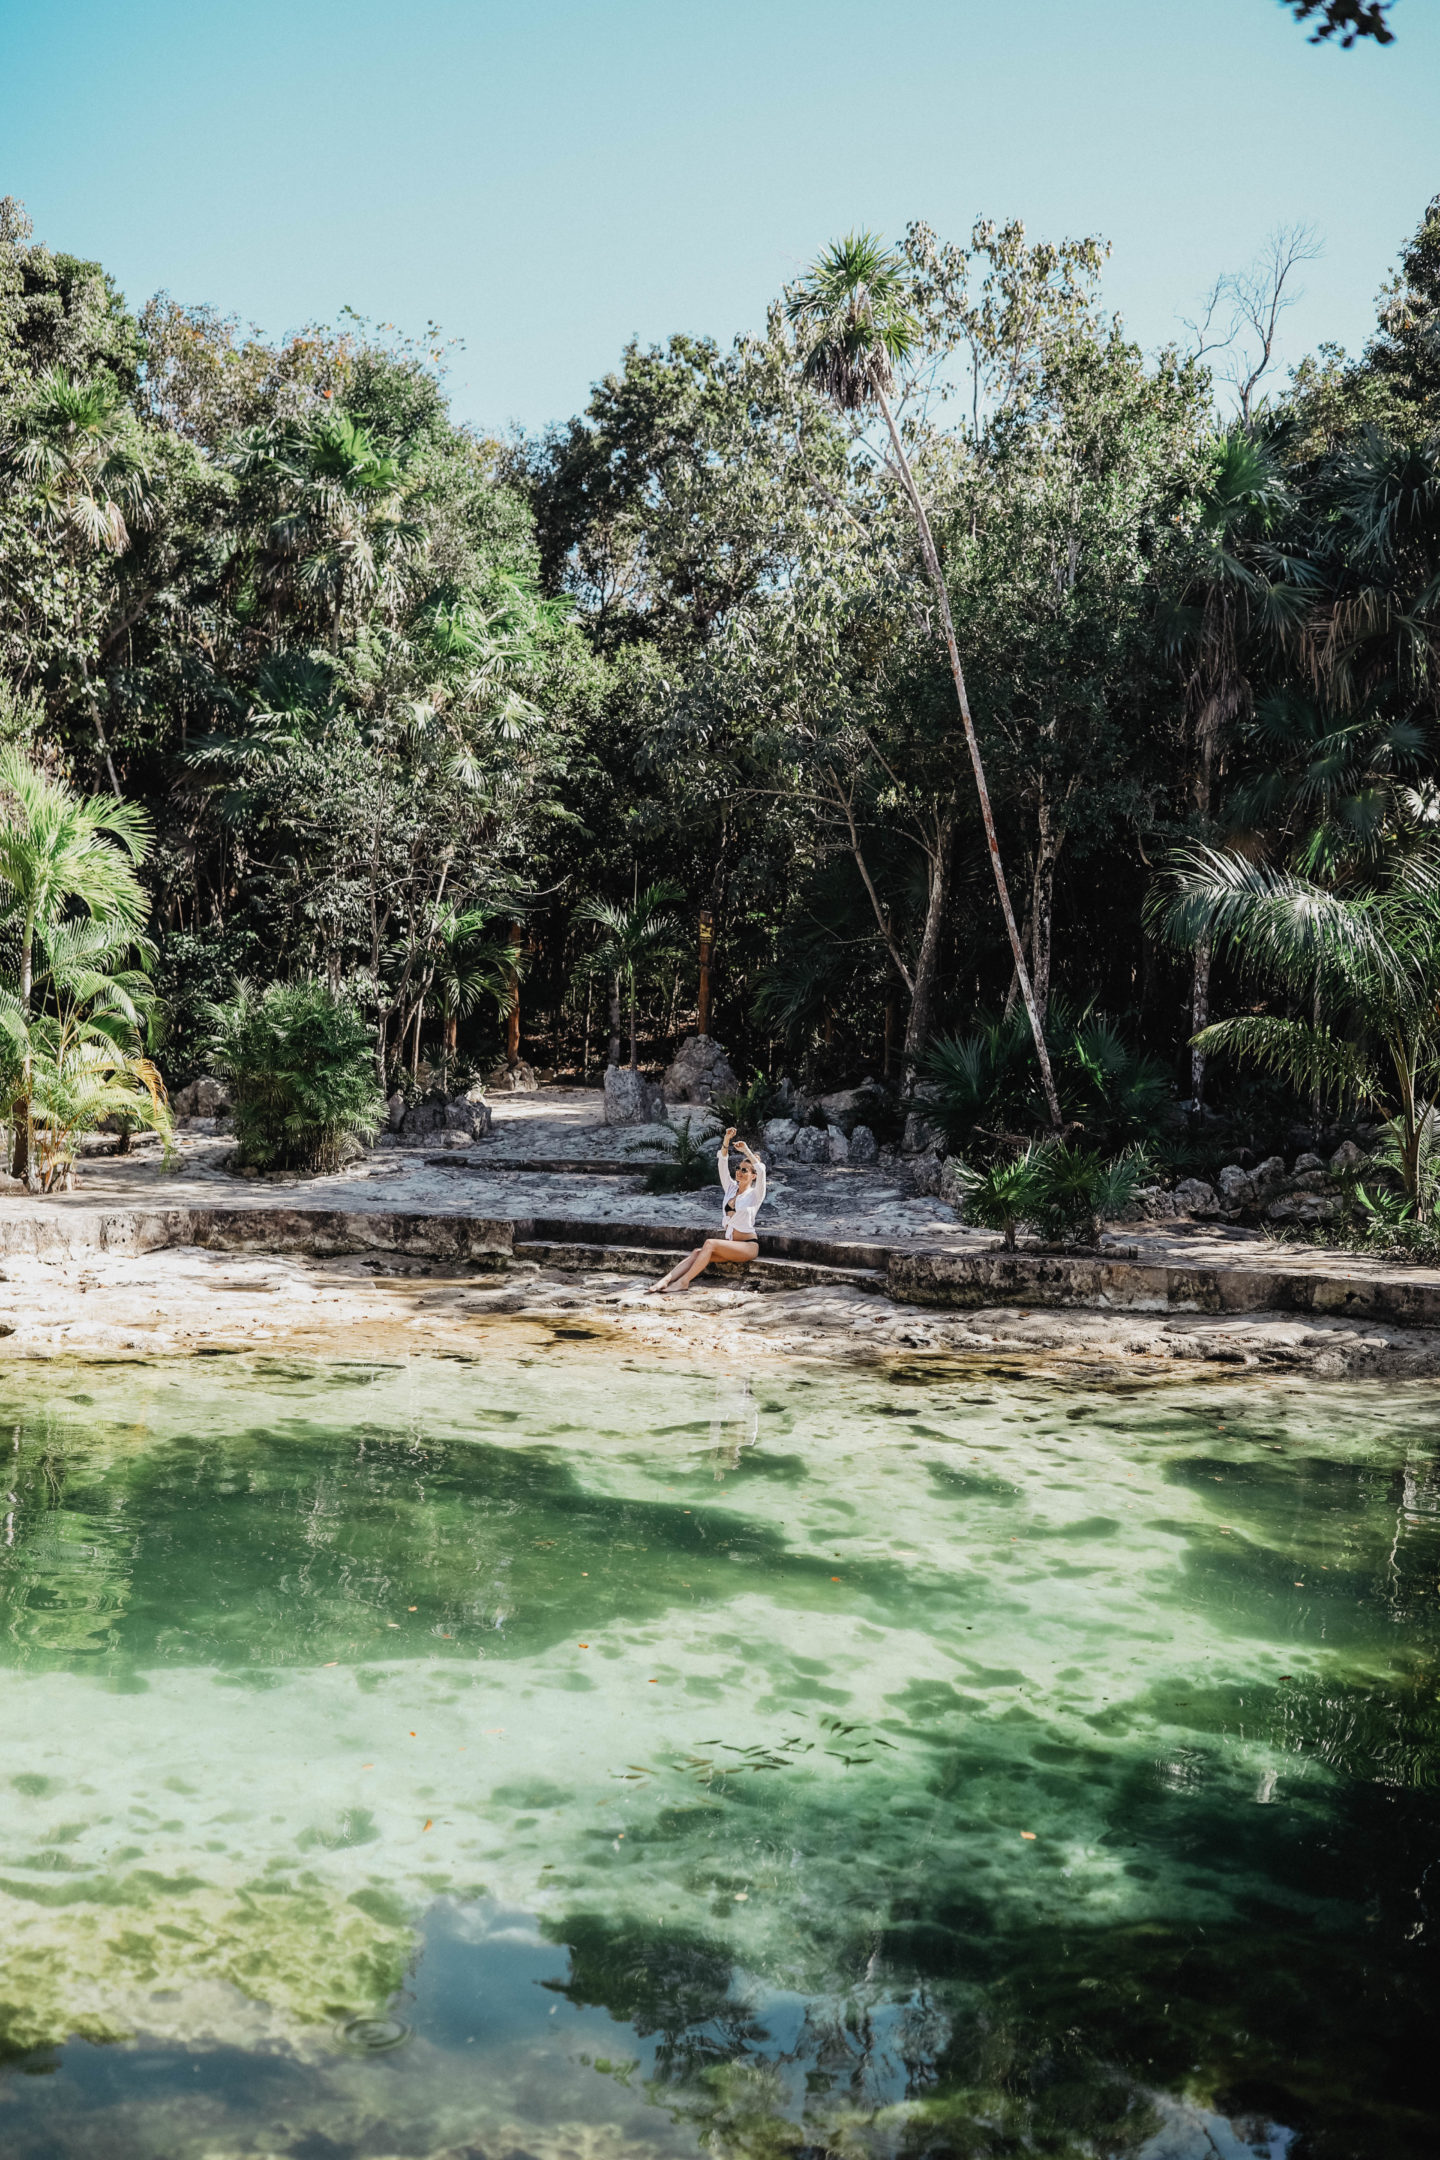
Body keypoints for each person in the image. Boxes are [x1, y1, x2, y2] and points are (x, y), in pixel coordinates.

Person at [650, 1126, 767, 1293]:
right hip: (731, 1245)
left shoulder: (756, 1195)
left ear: (753, 1176)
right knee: (698, 1252)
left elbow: (762, 1170)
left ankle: (684, 1282)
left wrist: (746, 1151)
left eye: (744, 1170)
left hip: (748, 1246)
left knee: (709, 1243)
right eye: (738, 1169)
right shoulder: (731, 1189)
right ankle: (665, 1280)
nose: (739, 1172)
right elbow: (722, 1162)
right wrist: (726, 1141)